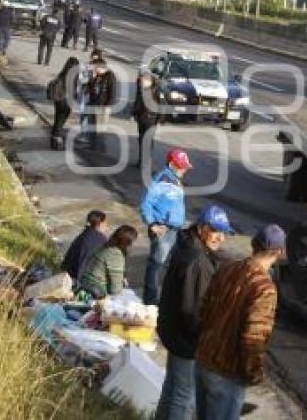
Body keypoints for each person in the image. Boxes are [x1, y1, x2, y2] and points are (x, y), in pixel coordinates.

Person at [194, 224, 285, 420]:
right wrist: (254, 372)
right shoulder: (264, 288)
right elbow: (253, 338)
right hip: (227, 372)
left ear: (254, 244)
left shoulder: (228, 268)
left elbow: (203, 310)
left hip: (204, 360)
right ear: (279, 252)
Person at [155, 204, 234, 420]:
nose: (221, 238)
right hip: (186, 340)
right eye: (216, 231)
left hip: (173, 331)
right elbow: (193, 310)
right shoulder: (198, 262)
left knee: (172, 387)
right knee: (183, 396)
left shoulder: (186, 245)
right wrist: (206, 340)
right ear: (201, 228)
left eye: (223, 232)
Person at [139, 148, 192, 305]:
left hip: (174, 229)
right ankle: (151, 300)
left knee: (174, 264)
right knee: (156, 264)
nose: (184, 169)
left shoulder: (174, 180)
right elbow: (145, 203)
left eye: (185, 166)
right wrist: (152, 223)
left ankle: (167, 297)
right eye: (181, 166)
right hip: (163, 228)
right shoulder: (161, 180)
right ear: (171, 164)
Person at [77, 225, 138, 300]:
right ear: (127, 243)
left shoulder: (105, 246)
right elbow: (115, 290)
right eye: (133, 242)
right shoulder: (115, 254)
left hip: (85, 285)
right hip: (97, 293)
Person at [60, 210, 109, 281]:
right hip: (81, 279)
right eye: (106, 223)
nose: (107, 226)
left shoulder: (84, 234)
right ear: (101, 224)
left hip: (68, 274)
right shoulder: (102, 240)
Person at [49, 56, 81, 145]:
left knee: (57, 118)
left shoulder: (63, 73)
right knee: (61, 119)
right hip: (66, 100)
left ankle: (54, 136)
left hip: (58, 99)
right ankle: (56, 138)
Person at [132, 71, 160, 168]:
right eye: (141, 80)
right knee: (141, 140)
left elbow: (161, 106)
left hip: (150, 119)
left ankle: (146, 162)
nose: (142, 81)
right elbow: (137, 104)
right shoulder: (140, 90)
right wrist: (134, 114)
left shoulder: (155, 91)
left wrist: (159, 119)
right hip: (141, 119)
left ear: (150, 82)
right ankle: (141, 161)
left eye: (144, 80)